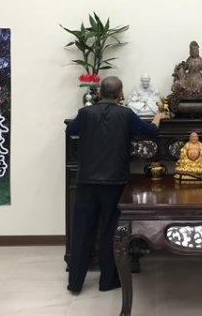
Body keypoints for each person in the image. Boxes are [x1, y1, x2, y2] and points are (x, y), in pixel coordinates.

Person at [65, 76, 166, 294]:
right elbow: (150, 132)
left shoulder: (85, 113)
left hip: (86, 182)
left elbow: (70, 131)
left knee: (83, 231)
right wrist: (157, 117)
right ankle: (108, 281)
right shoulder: (126, 114)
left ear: (99, 92)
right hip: (114, 182)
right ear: (121, 94)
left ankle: (75, 283)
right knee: (111, 229)